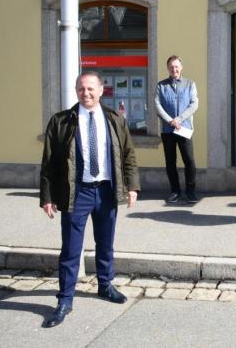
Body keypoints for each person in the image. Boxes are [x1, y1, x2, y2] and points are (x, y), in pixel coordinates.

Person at [39, 71, 140, 328]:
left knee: (105, 244)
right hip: (77, 192)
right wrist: (47, 196)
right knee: (71, 249)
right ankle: (65, 299)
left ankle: (105, 285)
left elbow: (128, 154)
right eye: (82, 89)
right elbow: (48, 162)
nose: (86, 93)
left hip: (106, 190)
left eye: (91, 89)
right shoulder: (61, 122)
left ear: (101, 90)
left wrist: (132, 186)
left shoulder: (115, 119)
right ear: (76, 90)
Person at [154, 55, 199, 204]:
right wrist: (170, 121)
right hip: (167, 130)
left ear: (181, 67)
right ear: (168, 68)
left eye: (176, 66)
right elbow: (157, 105)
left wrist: (178, 120)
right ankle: (175, 191)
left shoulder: (190, 84)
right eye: (171, 67)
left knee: (189, 161)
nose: (174, 69)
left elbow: (194, 104)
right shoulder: (161, 86)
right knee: (170, 162)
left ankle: (191, 192)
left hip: (184, 128)